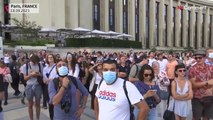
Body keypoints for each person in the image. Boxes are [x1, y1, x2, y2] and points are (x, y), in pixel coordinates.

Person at [188, 50, 213, 120]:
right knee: (196, 117)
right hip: (197, 97)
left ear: (205, 58)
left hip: (209, 96)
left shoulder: (211, 68)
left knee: (206, 117)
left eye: (200, 58)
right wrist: (207, 82)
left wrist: (210, 89)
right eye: (196, 58)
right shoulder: (192, 69)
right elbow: (193, 85)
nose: (198, 59)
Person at [21, 54, 43, 120]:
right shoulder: (25, 66)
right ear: (32, 61)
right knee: (30, 104)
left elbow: (42, 75)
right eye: (35, 62)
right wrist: (31, 75)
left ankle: (37, 118)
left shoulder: (40, 64)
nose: (36, 63)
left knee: (38, 104)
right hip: (29, 86)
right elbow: (25, 78)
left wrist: (38, 74)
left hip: (38, 85)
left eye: (37, 62)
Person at [42, 54, 57, 120]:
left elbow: (58, 75)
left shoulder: (57, 66)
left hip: (55, 86)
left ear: (54, 58)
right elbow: (44, 77)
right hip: (47, 86)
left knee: (56, 103)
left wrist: (52, 79)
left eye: (51, 57)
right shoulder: (45, 68)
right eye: (49, 57)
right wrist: (44, 80)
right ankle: (52, 118)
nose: (50, 58)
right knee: (50, 103)